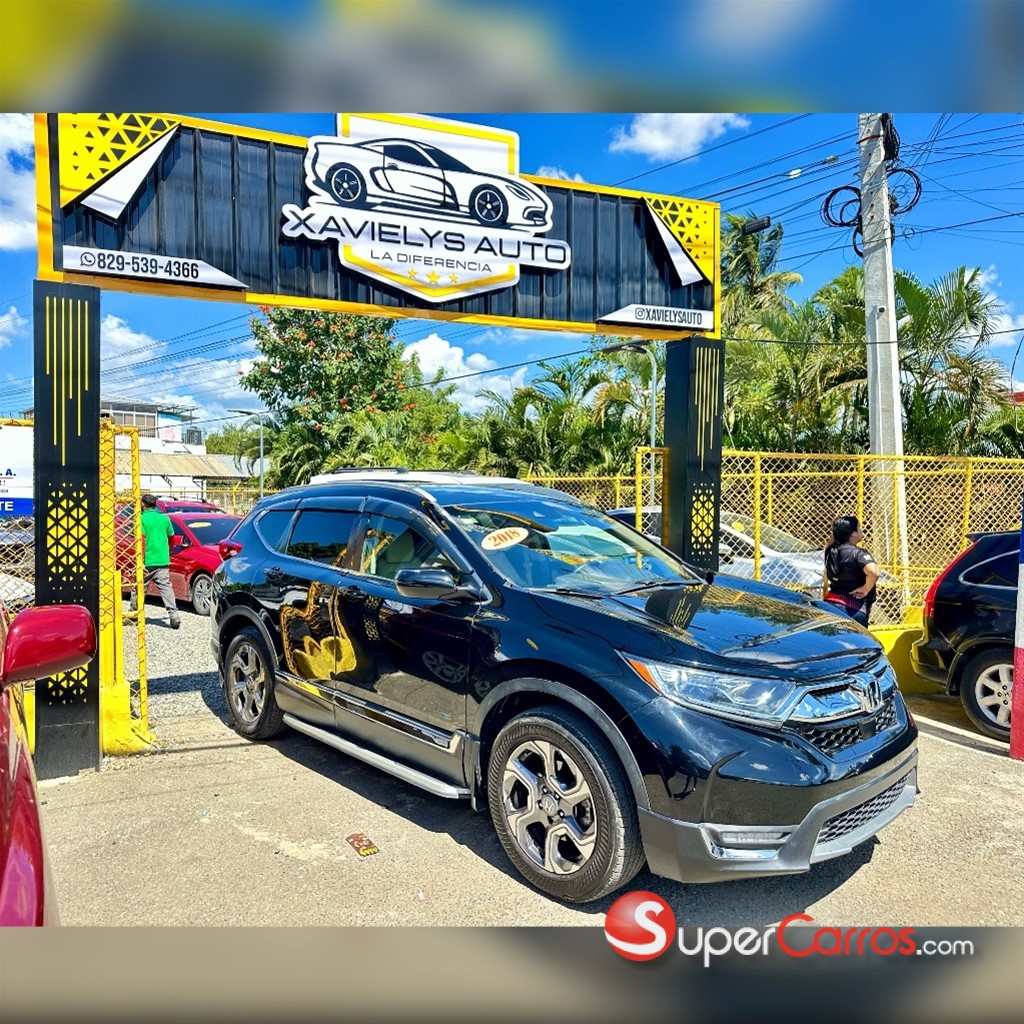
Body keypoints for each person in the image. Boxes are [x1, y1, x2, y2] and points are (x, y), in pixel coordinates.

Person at [129, 494, 181, 628]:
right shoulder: (164, 519)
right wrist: (168, 551)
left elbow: (141, 541)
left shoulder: (140, 519)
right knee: (166, 588)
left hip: (147, 561)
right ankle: (174, 615)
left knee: (139, 588)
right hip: (162, 560)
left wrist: (140, 561)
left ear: (142, 504)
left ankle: (134, 614)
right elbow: (172, 538)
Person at [823, 515, 879, 627]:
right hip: (853, 608)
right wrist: (865, 589)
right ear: (853, 533)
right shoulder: (858, 553)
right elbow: (874, 572)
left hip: (831, 604)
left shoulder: (830, 551)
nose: (862, 530)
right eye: (859, 527)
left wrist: (838, 528)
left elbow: (832, 542)